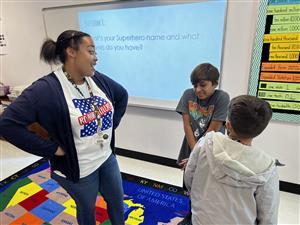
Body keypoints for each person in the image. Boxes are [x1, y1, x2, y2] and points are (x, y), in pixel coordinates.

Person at [0, 30, 128, 225]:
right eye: (91, 51)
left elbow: (122, 95)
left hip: (105, 158)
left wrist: (110, 127)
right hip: (79, 168)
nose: (96, 58)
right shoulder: (46, 88)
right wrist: (51, 149)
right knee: (87, 210)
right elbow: (7, 124)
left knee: (117, 202)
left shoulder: (96, 79)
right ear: (71, 52)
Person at [184, 95, 279, 225]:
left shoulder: (206, 142)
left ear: (228, 125)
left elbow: (189, 178)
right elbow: (268, 215)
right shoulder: (268, 167)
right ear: (259, 131)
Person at [176, 63, 230, 225]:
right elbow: (187, 126)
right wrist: (193, 154)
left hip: (212, 150)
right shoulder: (187, 95)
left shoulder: (222, 98)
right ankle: (191, 215)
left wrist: (197, 156)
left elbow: (213, 130)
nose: (198, 90)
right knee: (190, 184)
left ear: (215, 83)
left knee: (207, 186)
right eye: (195, 85)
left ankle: (205, 218)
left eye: (203, 85)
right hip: (191, 146)